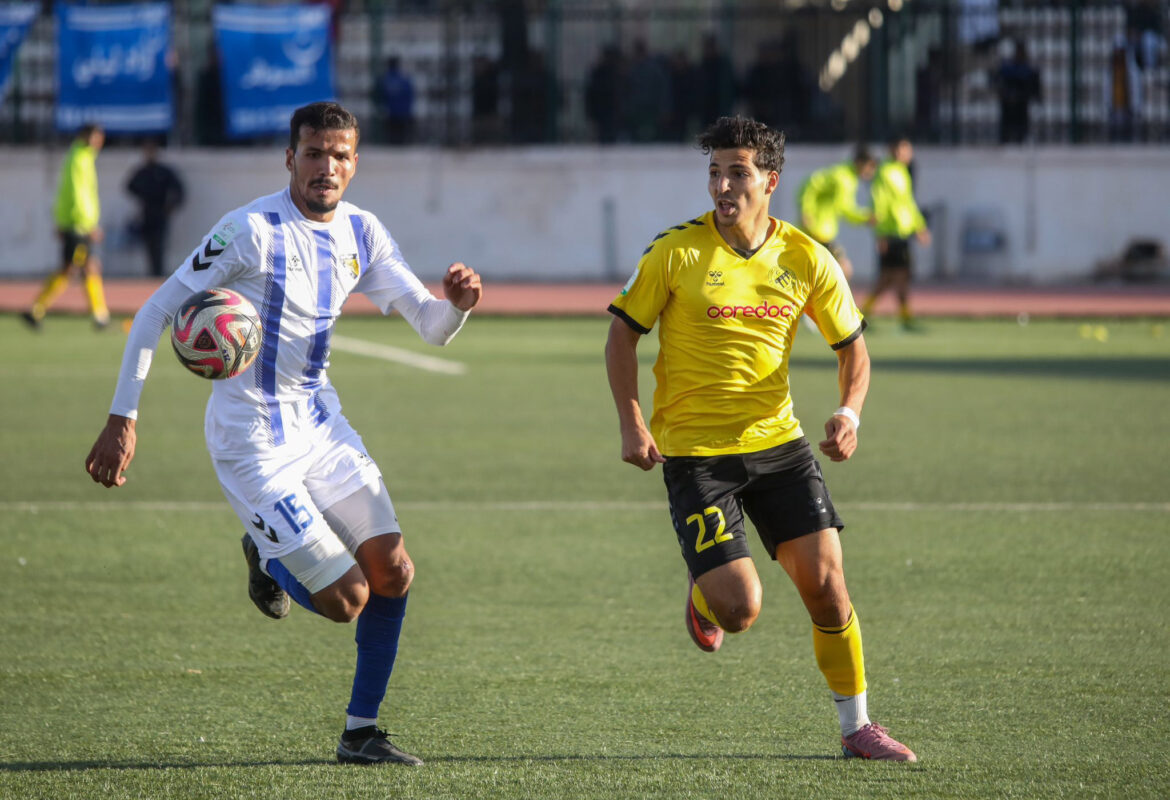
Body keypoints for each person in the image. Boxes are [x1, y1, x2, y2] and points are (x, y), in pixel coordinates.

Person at [84, 102, 483, 765]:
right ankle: (266, 555)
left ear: (356, 163)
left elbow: (431, 325)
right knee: (347, 599)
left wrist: (459, 308)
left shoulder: (363, 232)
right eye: (315, 153)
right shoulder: (248, 229)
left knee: (394, 571)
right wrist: (122, 418)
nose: (327, 167)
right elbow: (156, 309)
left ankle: (360, 734)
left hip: (320, 423)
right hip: (251, 441)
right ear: (291, 158)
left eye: (341, 155)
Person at [604, 115, 917, 762]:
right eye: (715, 171)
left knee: (829, 587)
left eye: (737, 172)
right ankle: (704, 595)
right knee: (741, 608)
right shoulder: (676, 252)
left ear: (770, 181)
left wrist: (849, 414)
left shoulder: (806, 257)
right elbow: (622, 336)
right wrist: (633, 421)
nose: (723, 185)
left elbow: (852, 349)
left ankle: (857, 727)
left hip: (780, 447)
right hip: (695, 454)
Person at [22, 123, 110, 330]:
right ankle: (36, 309)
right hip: (78, 225)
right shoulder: (80, 159)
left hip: (74, 223)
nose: (99, 141)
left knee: (88, 267)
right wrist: (88, 225)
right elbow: (79, 195)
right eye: (96, 137)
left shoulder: (80, 157)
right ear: (86, 137)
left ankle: (100, 315)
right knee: (70, 268)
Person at [861, 137, 931, 330]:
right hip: (890, 232)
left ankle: (897, 316)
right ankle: (899, 317)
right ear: (895, 150)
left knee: (895, 277)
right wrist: (880, 234)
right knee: (892, 277)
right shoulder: (884, 172)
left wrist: (919, 226)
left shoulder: (902, 172)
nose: (909, 154)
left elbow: (908, 203)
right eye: (905, 149)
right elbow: (879, 203)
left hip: (902, 232)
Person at [796, 145, 877, 281]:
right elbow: (810, 184)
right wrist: (806, 211)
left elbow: (843, 207)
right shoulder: (841, 177)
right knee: (844, 269)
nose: (871, 172)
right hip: (816, 231)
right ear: (860, 163)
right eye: (870, 167)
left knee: (817, 273)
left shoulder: (848, 177)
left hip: (821, 231)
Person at [125, 139, 186, 277]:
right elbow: (129, 186)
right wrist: (142, 196)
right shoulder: (142, 171)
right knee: (148, 243)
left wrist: (172, 206)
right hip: (146, 212)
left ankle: (158, 273)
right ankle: (152, 272)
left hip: (161, 213)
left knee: (160, 244)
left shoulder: (164, 171)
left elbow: (179, 190)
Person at [994, 38, 1041, 144]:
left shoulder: (1028, 68)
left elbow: (1033, 83)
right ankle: (1006, 136)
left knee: (1021, 122)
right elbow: (999, 79)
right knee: (1007, 122)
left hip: (1022, 100)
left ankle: (1020, 135)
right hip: (1008, 100)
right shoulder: (1007, 66)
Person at [379, 56, 415, 145]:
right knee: (401, 137)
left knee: (392, 137)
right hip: (403, 113)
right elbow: (410, 95)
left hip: (391, 113)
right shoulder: (404, 79)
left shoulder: (386, 79)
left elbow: (382, 96)